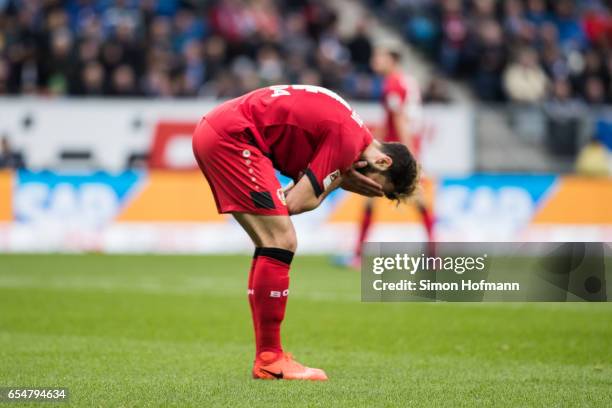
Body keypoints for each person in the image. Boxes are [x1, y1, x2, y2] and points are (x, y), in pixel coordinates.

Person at [192, 84, 419, 381]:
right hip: (233, 138)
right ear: (382, 161)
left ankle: (269, 356)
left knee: (270, 241)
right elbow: (297, 202)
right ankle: (270, 359)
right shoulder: (348, 140)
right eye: (375, 184)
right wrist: (340, 180)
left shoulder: (351, 127)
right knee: (281, 240)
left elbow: (289, 195)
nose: (365, 187)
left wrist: (340, 176)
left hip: (222, 129)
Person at [347, 46, 435, 268]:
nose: (374, 61)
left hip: (396, 154)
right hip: (400, 150)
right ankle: (433, 254)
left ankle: (357, 254)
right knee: (415, 199)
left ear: (392, 59)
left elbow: (399, 119)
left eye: (379, 56)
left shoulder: (392, 84)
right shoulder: (406, 82)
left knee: (370, 194)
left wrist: (407, 154)